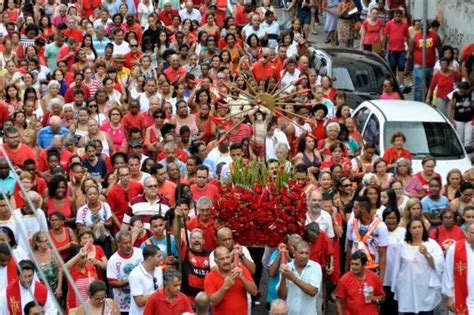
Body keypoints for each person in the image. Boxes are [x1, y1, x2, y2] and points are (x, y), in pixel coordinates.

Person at [391, 217, 444, 314]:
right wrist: (395, 285)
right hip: (407, 288)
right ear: (409, 230)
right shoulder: (402, 245)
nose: (417, 230)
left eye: (419, 227)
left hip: (425, 289)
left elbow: (438, 266)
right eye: (414, 227)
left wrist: (426, 254)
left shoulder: (431, 244)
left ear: (423, 228)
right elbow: (396, 268)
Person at [204, 246, 257, 314]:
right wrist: (225, 287)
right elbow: (211, 303)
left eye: (227, 257)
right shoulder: (210, 277)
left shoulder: (241, 269)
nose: (226, 261)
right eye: (221, 259)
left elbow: (254, 292)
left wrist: (242, 278)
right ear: (215, 261)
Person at [346, 196, 389, 281]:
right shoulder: (351, 223)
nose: (353, 210)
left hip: (373, 270)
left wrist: (380, 280)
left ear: (363, 209)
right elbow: (349, 247)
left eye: (355, 208)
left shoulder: (381, 227)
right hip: (355, 269)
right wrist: (346, 271)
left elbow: (383, 255)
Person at [277, 240, 321, 315]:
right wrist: (283, 278)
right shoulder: (287, 267)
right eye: (301, 253)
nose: (304, 256)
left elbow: (313, 291)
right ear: (294, 254)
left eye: (307, 253)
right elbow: (282, 296)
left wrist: (293, 278)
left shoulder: (315, 267)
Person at [335, 251, 385, 315]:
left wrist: (374, 298)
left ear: (364, 265)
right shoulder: (344, 279)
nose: (353, 267)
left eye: (356, 264)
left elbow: (382, 298)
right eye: (352, 264)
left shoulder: (374, 277)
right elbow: (338, 301)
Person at [107, 231, 144, 314]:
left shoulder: (140, 253)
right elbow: (111, 283)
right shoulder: (113, 260)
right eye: (125, 243)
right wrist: (130, 280)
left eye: (130, 242)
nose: (128, 246)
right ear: (118, 244)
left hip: (141, 303)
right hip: (123, 306)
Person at [442, 221, 474, 314]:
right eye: (473, 232)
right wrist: (449, 297)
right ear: (466, 233)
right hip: (460, 296)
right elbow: (448, 273)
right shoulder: (455, 248)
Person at [129, 245, 163, 315]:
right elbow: (139, 302)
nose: (161, 258)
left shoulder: (159, 268)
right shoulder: (135, 274)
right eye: (158, 256)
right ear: (150, 258)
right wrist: (159, 292)